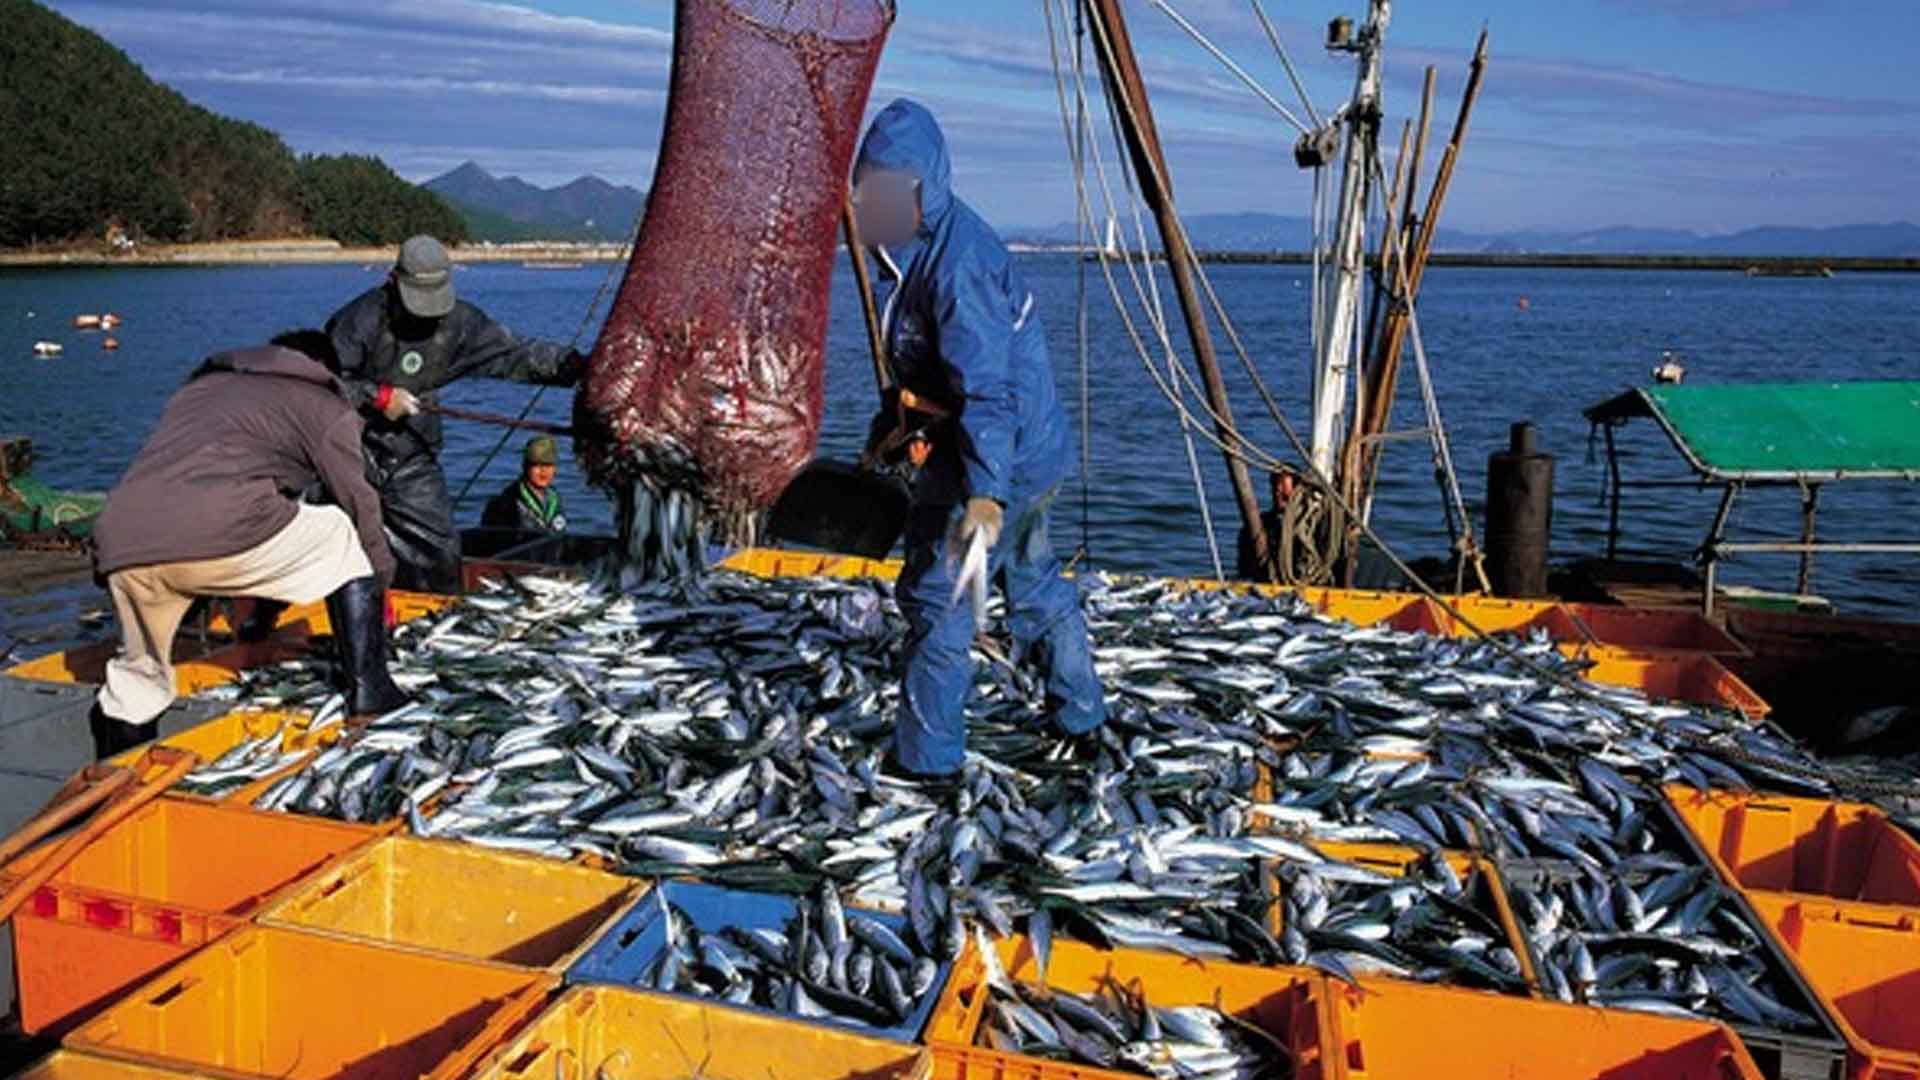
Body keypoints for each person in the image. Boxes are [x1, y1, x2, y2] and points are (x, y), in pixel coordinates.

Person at [852, 98, 1107, 780]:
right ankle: (1081, 715)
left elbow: (989, 393)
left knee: (944, 599)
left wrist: (987, 496)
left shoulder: (958, 263)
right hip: (995, 447)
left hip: (1002, 459)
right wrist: (891, 428)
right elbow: (930, 367)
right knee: (1031, 577)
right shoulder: (902, 246)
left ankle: (928, 768)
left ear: (923, 186)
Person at [87, 332, 407, 758]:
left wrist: (260, 620)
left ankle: (118, 776)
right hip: (217, 533)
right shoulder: (323, 404)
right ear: (325, 370)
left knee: (138, 681)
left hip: (122, 540)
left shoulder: (197, 390)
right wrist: (378, 579)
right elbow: (358, 499)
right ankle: (371, 693)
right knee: (339, 529)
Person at [324, 235, 584, 593]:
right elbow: (320, 385)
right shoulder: (357, 322)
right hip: (347, 454)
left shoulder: (459, 323)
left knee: (440, 555)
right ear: (393, 282)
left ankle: (423, 619)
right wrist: (377, 396)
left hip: (411, 456)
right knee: (336, 551)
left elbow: (516, 354)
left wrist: (581, 368)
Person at [481, 436, 567, 535]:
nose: (544, 471)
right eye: (537, 465)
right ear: (525, 466)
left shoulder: (555, 498)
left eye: (548, 465)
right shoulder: (508, 502)